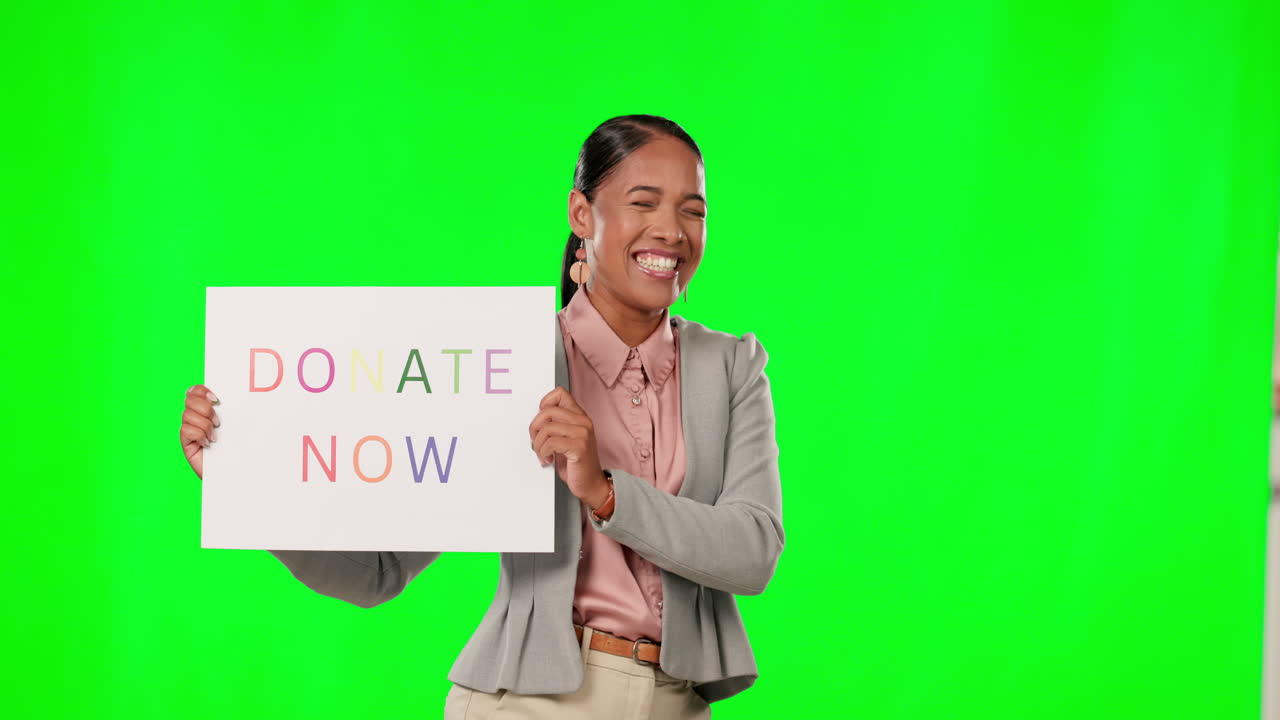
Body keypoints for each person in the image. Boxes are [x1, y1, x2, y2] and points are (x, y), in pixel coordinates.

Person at [179, 114, 784, 719]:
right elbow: (377, 571)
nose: (672, 231)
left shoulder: (731, 366)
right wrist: (246, 484)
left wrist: (604, 492)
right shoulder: (511, 360)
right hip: (527, 703)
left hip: (675, 704)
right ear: (581, 215)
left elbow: (753, 550)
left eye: (693, 210)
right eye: (643, 202)